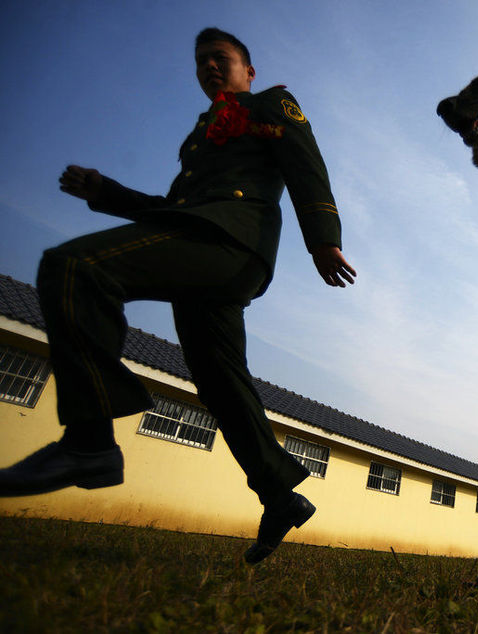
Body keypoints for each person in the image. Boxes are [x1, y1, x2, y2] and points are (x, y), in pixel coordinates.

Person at [0, 27, 355, 564]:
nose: (210, 67)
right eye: (201, 62)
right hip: (199, 242)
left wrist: (324, 241)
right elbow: (174, 210)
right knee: (220, 385)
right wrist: (108, 193)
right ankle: (279, 497)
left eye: (222, 58)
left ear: (248, 70)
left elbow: (307, 165)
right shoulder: (198, 138)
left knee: (74, 267)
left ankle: (89, 441)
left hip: (229, 243)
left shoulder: (271, 103)